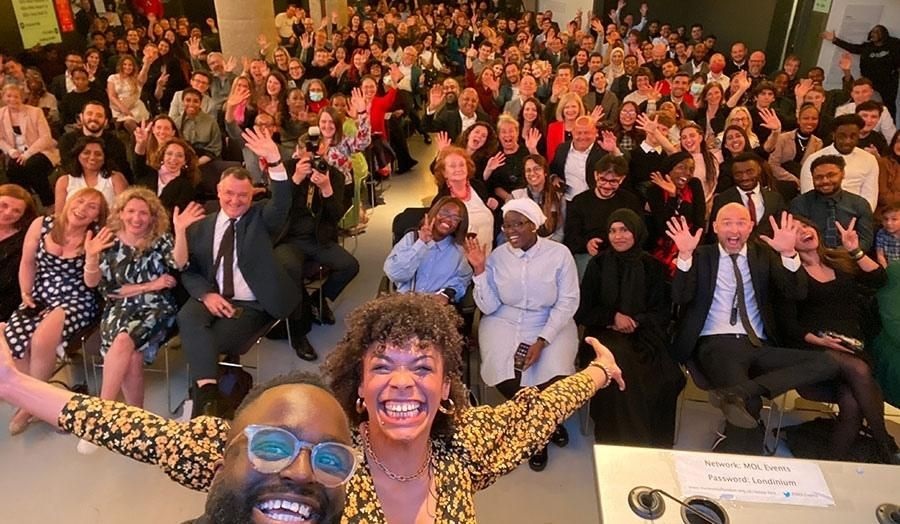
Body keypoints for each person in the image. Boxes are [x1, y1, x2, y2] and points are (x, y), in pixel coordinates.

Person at [1, 293, 624, 522]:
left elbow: (539, 408)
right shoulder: (303, 456)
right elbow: (138, 429)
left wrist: (598, 370)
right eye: (383, 365)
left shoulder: (467, 445)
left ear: (445, 390)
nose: (403, 383)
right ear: (358, 386)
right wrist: (18, 384)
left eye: (423, 369)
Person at [0, 343, 354, 524]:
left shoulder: (355, 482)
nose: (303, 471)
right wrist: (13, 385)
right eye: (274, 446)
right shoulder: (216, 444)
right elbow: (128, 426)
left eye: (332, 459)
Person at [668, 205, 839, 430]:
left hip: (758, 344)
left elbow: (795, 292)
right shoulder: (700, 256)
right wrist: (684, 256)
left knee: (828, 362)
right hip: (716, 343)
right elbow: (680, 296)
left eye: (741, 223)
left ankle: (739, 392)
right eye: (727, 223)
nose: (734, 229)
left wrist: (788, 254)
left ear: (750, 227)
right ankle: (744, 400)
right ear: (716, 227)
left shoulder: (765, 255)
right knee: (750, 405)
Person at [178, 129, 301, 419]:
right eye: (229, 194)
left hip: (251, 304)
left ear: (252, 195)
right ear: (218, 192)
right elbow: (189, 270)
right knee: (187, 317)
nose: (235, 201)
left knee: (210, 342)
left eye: (243, 195)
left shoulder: (260, 218)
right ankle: (208, 400)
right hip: (213, 294)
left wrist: (275, 162)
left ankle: (202, 404)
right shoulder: (201, 225)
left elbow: (282, 204)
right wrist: (206, 294)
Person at [76, 190, 204, 452]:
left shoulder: (159, 239)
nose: (136, 218)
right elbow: (101, 287)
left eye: (143, 213)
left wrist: (180, 231)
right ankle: (138, 420)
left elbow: (179, 264)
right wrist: (91, 257)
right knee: (131, 356)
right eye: (131, 211)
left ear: (152, 216)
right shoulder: (107, 240)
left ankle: (99, 416)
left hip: (156, 308)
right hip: (119, 307)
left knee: (123, 341)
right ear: (120, 213)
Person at [466, 199, 581, 471]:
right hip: (503, 319)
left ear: (534, 225)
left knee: (555, 371)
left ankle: (536, 431)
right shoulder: (496, 256)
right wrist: (480, 271)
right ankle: (544, 429)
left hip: (551, 321)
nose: (511, 231)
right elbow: (489, 306)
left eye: (518, 224)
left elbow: (568, 301)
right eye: (506, 225)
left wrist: (542, 340)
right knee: (505, 371)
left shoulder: (559, 254)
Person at [777, 215, 900, 464]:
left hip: (852, 346)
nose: (803, 231)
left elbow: (879, 280)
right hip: (813, 349)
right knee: (859, 369)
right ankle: (885, 447)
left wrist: (854, 250)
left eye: (805, 225)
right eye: (794, 230)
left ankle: (834, 463)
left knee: (852, 402)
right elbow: (786, 324)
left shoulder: (837, 261)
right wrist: (821, 341)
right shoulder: (789, 272)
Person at [3, 187, 108, 435]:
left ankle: (31, 408)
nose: (82, 209)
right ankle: (40, 400)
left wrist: (92, 256)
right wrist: (25, 292)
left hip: (77, 298)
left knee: (41, 340)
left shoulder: (95, 236)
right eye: (80, 201)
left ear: (96, 216)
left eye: (91, 207)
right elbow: (27, 261)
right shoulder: (42, 224)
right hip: (40, 294)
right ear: (70, 201)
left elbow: (92, 283)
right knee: (15, 341)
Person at [577, 207, 686, 446]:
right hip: (603, 334)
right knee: (621, 365)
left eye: (624, 230)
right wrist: (613, 317)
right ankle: (624, 443)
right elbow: (584, 311)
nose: (618, 236)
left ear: (636, 231)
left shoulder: (653, 267)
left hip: (645, 333)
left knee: (667, 375)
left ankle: (653, 442)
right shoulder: (598, 264)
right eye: (613, 231)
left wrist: (636, 321)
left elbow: (662, 311)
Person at [383, 197, 473, 301]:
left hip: (437, 308)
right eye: (444, 213)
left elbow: (462, 279)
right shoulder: (411, 239)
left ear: (459, 224)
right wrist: (421, 244)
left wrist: (446, 294)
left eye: (455, 218)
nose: (448, 219)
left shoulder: (459, 251)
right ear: (434, 213)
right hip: (405, 304)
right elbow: (396, 275)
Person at [792, 155, 874, 252]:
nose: (825, 181)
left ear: (842, 174)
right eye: (818, 177)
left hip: (850, 259)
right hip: (813, 259)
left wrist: (842, 255)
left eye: (831, 175)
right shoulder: (799, 203)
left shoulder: (859, 204)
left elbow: (866, 241)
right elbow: (796, 240)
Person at [800, 114, 879, 212]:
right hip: (821, 212)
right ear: (833, 135)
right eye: (842, 136)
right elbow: (808, 196)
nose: (847, 141)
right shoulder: (814, 159)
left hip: (856, 214)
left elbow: (870, 196)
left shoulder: (869, 159)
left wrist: (862, 217)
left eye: (853, 136)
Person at [646, 152, 706, 275]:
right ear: (669, 170)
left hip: (692, 244)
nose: (688, 173)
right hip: (662, 247)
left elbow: (699, 221)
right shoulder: (654, 190)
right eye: (681, 167)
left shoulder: (694, 185)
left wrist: (694, 249)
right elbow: (664, 227)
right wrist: (673, 196)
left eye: (691, 169)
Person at [0, 84, 60, 207]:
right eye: (9, 96)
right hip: (15, 152)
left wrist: (27, 154)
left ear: (22, 97)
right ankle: (23, 203)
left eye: (16, 96)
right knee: (13, 168)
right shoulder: (0, 114)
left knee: (33, 166)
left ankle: (49, 203)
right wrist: (11, 151)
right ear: (3, 97)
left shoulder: (35, 112)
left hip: (40, 151)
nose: (12, 99)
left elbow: (46, 138)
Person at [822, 25, 900, 119]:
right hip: (868, 81)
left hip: (888, 82)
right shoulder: (867, 47)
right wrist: (834, 40)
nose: (874, 34)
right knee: (862, 102)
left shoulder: (894, 44)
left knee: (889, 106)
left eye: (877, 32)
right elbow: (853, 48)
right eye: (873, 32)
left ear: (884, 34)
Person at [709, 152, 787, 241]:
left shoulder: (775, 199)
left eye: (750, 172)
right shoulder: (722, 200)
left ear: (759, 170)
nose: (744, 177)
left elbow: (783, 229)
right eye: (738, 174)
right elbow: (714, 235)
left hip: (771, 251)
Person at [432, 146, 497, 250]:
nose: (458, 169)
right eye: (452, 166)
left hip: (488, 252)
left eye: (462, 165)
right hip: (459, 258)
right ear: (444, 173)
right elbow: (439, 235)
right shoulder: (442, 200)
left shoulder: (478, 186)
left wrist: (493, 207)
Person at [57, 99, 133, 183]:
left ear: (106, 122)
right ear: (81, 118)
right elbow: (68, 168)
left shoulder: (116, 143)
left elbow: (121, 171)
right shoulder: (67, 140)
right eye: (89, 114)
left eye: (99, 115)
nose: (93, 118)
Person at [54, 136, 128, 211]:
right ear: (78, 155)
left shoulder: (115, 178)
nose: (92, 157)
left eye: (98, 154)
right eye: (86, 153)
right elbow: (59, 216)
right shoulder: (64, 181)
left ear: (105, 158)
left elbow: (124, 210)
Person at [0, 184, 38, 322]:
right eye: (3, 205)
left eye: (16, 211)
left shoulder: (24, 240)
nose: (8, 212)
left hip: (6, 300)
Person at [549, 115, 608, 202]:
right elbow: (552, 170)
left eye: (587, 132)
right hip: (567, 201)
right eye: (579, 133)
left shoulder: (603, 151)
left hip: (594, 201)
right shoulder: (562, 149)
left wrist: (614, 151)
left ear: (596, 132)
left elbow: (620, 169)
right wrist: (554, 177)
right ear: (572, 132)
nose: (583, 137)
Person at [134, 137, 200, 214]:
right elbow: (138, 160)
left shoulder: (186, 186)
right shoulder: (148, 173)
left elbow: (176, 214)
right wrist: (140, 143)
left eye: (179, 155)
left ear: (185, 161)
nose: (173, 158)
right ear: (163, 156)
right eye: (169, 154)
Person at [511, 155, 566, 242]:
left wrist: (549, 249)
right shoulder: (516, 197)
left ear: (545, 172)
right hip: (525, 245)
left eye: (537, 169)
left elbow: (560, 231)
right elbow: (512, 229)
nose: (532, 173)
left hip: (552, 246)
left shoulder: (559, 197)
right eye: (528, 170)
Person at [768, 103, 823, 189]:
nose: (810, 122)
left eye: (814, 119)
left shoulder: (818, 143)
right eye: (806, 118)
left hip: (806, 183)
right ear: (798, 120)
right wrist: (795, 180)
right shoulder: (782, 138)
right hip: (782, 183)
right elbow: (773, 164)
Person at [876, 203, 900, 268]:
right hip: (889, 267)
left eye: (894, 219)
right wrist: (887, 271)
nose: (888, 223)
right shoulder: (881, 233)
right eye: (885, 219)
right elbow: (880, 255)